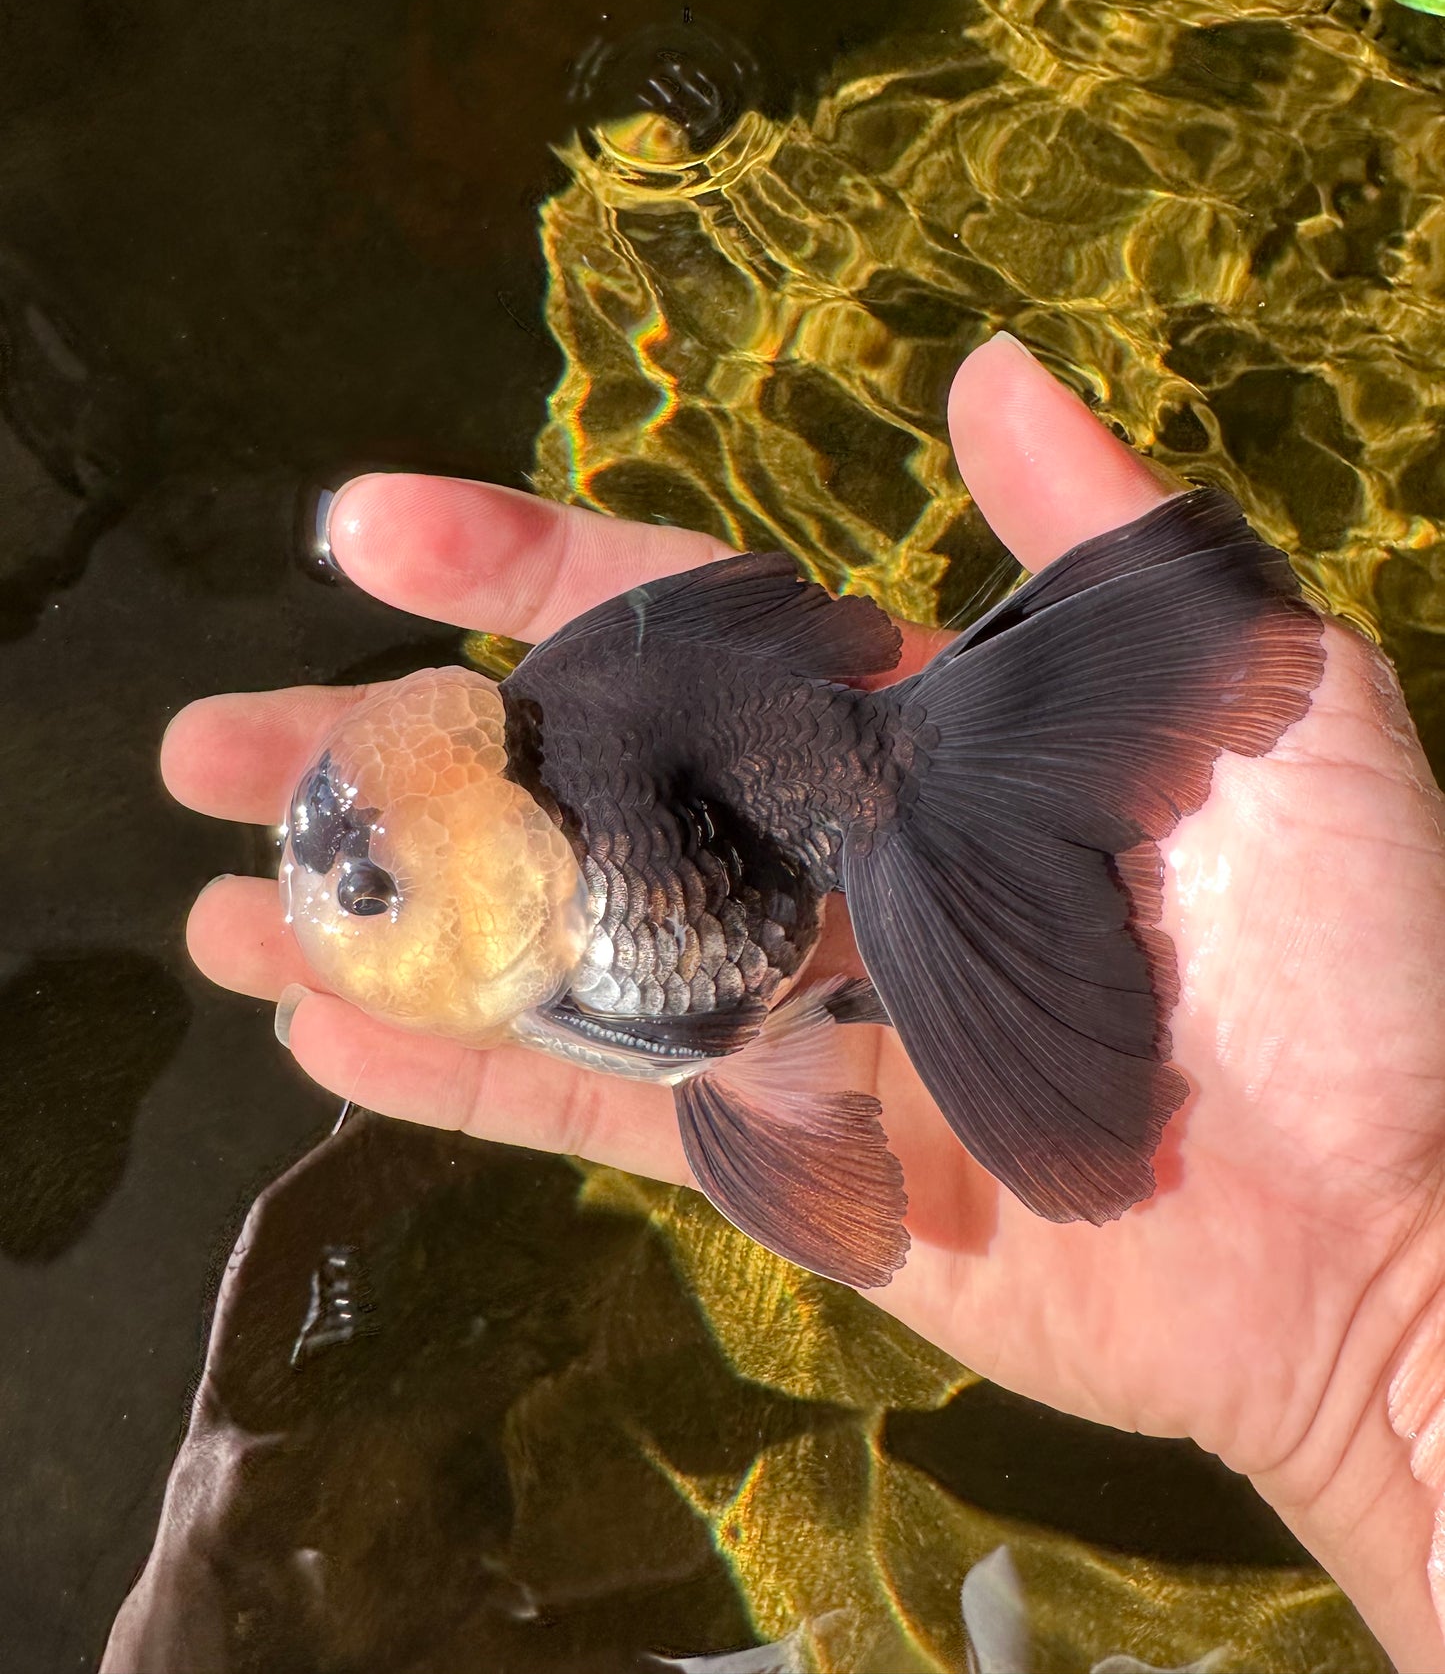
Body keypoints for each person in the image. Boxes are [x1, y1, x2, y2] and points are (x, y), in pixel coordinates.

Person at [162, 333, 1445, 1671]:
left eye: (371, 899)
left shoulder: (573, 881)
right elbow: (724, 1054)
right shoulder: (538, 880)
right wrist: (1386, 1336)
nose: (338, 923)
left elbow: (715, 1038)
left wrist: (1397, 1308)